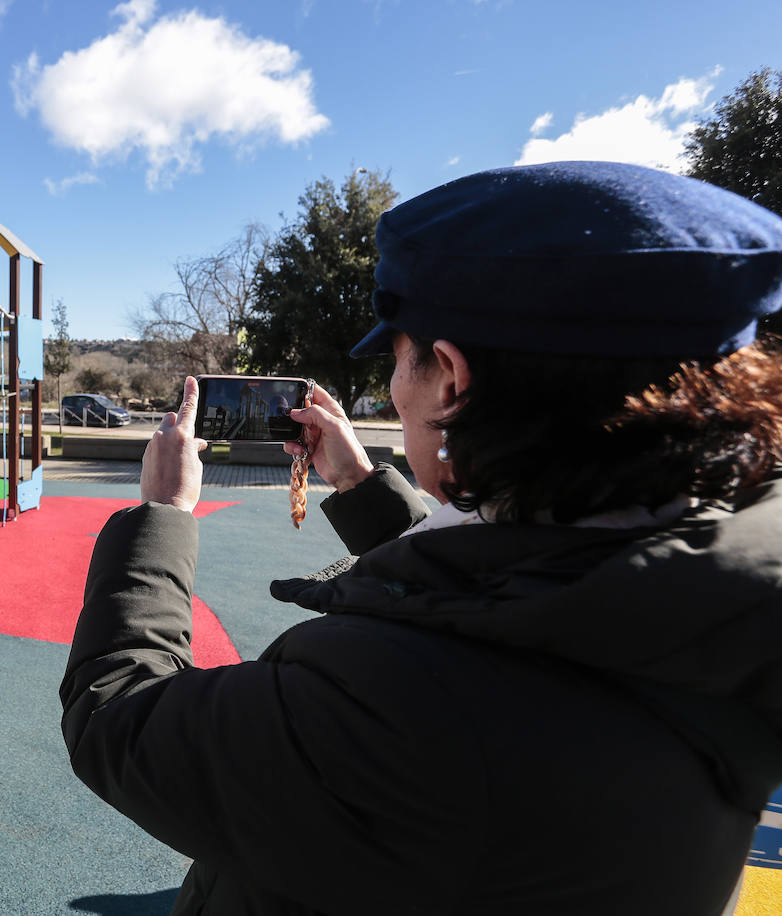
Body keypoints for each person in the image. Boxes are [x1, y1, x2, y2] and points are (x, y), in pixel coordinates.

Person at [61, 161, 782, 915]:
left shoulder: (389, 707)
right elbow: (526, 600)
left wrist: (164, 513)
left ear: (449, 379)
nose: (397, 388)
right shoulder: (721, 599)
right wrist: (359, 483)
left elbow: (119, 718)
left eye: (400, 358)